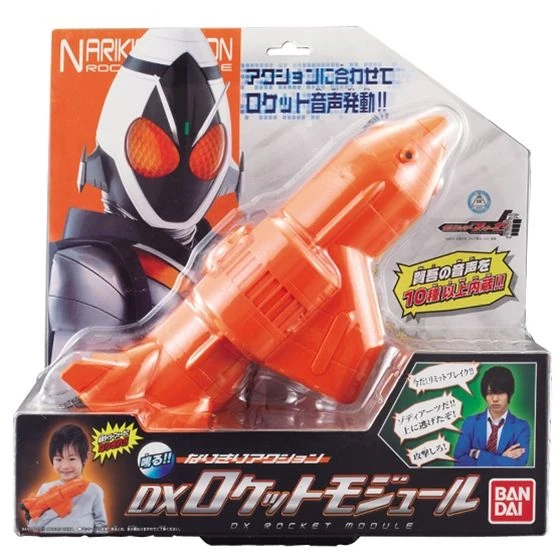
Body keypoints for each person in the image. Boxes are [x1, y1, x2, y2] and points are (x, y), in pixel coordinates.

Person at [24, 425, 107, 533]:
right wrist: (56, 508)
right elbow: (33, 526)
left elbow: (101, 524)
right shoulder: (45, 488)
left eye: (72, 459)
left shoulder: (94, 490)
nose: (65, 466)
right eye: (59, 459)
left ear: (85, 458)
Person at [454, 366, 530, 466]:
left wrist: (477, 454)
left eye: (500, 393)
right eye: (490, 393)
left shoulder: (521, 427)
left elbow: (519, 464)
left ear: (510, 394)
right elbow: (459, 460)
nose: (495, 399)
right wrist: (502, 458)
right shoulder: (470, 423)